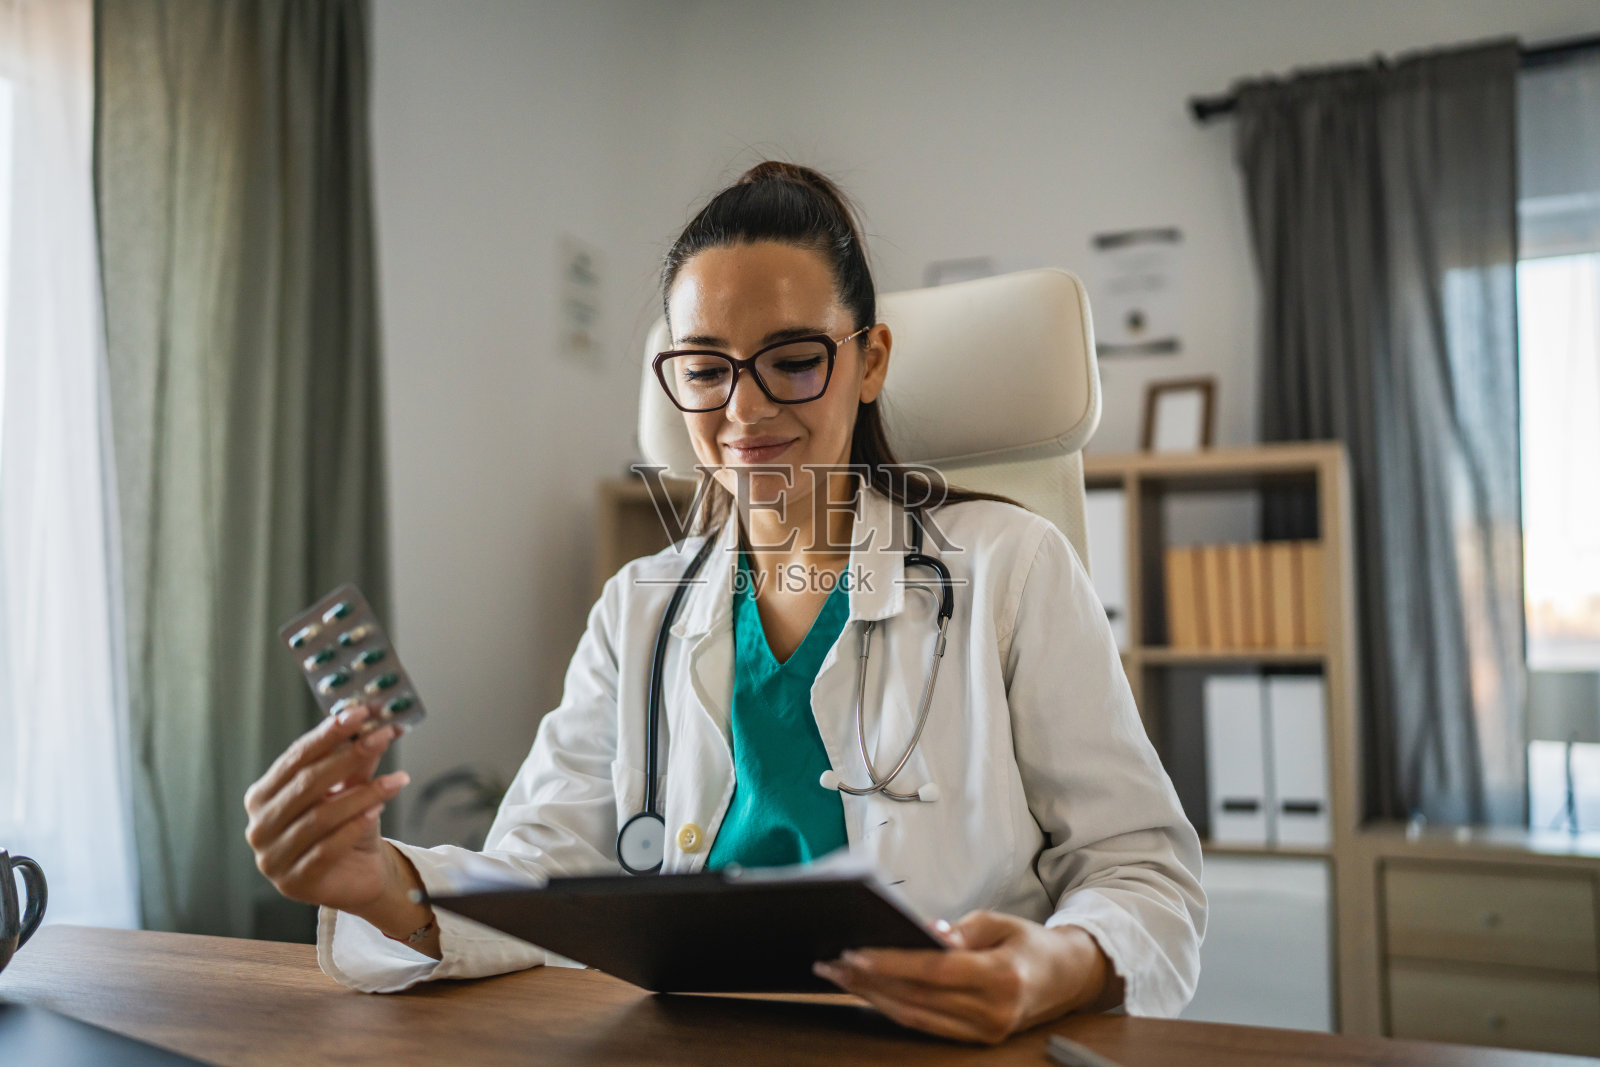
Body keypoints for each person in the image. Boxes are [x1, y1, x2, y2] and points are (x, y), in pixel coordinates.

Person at [244, 161, 1205, 1044]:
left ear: (869, 362)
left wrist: (1058, 966)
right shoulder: (641, 610)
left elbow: (1143, 871)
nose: (743, 412)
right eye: (705, 368)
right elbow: (543, 873)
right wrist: (382, 884)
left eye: (792, 359)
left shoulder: (1010, 570)